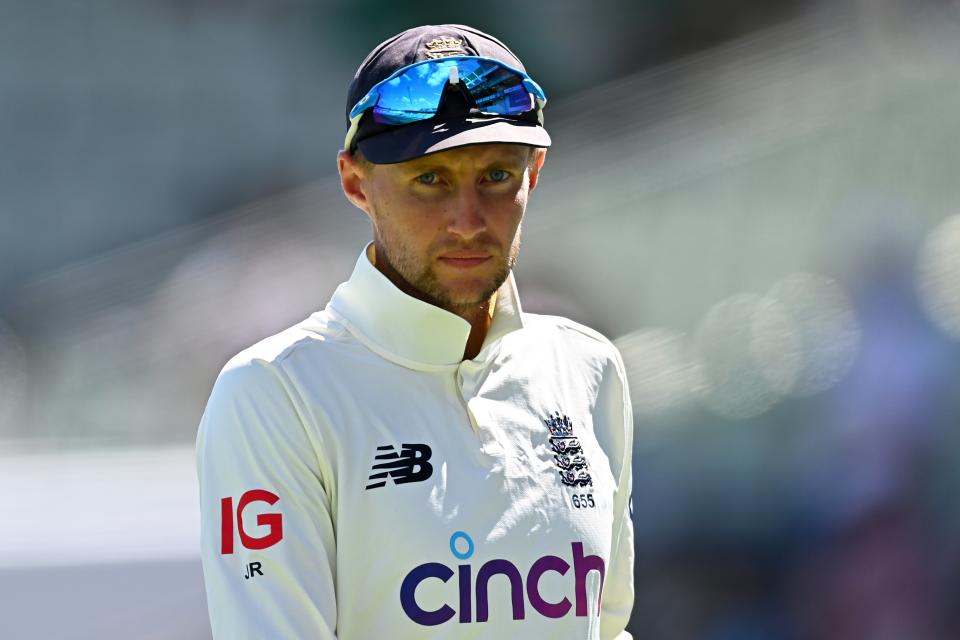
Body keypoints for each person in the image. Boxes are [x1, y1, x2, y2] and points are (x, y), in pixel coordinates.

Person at [196, 23, 635, 639]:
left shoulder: (588, 367)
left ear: (534, 172)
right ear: (356, 183)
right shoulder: (274, 394)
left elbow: (607, 628)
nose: (467, 220)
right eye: (430, 180)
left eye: (496, 177)